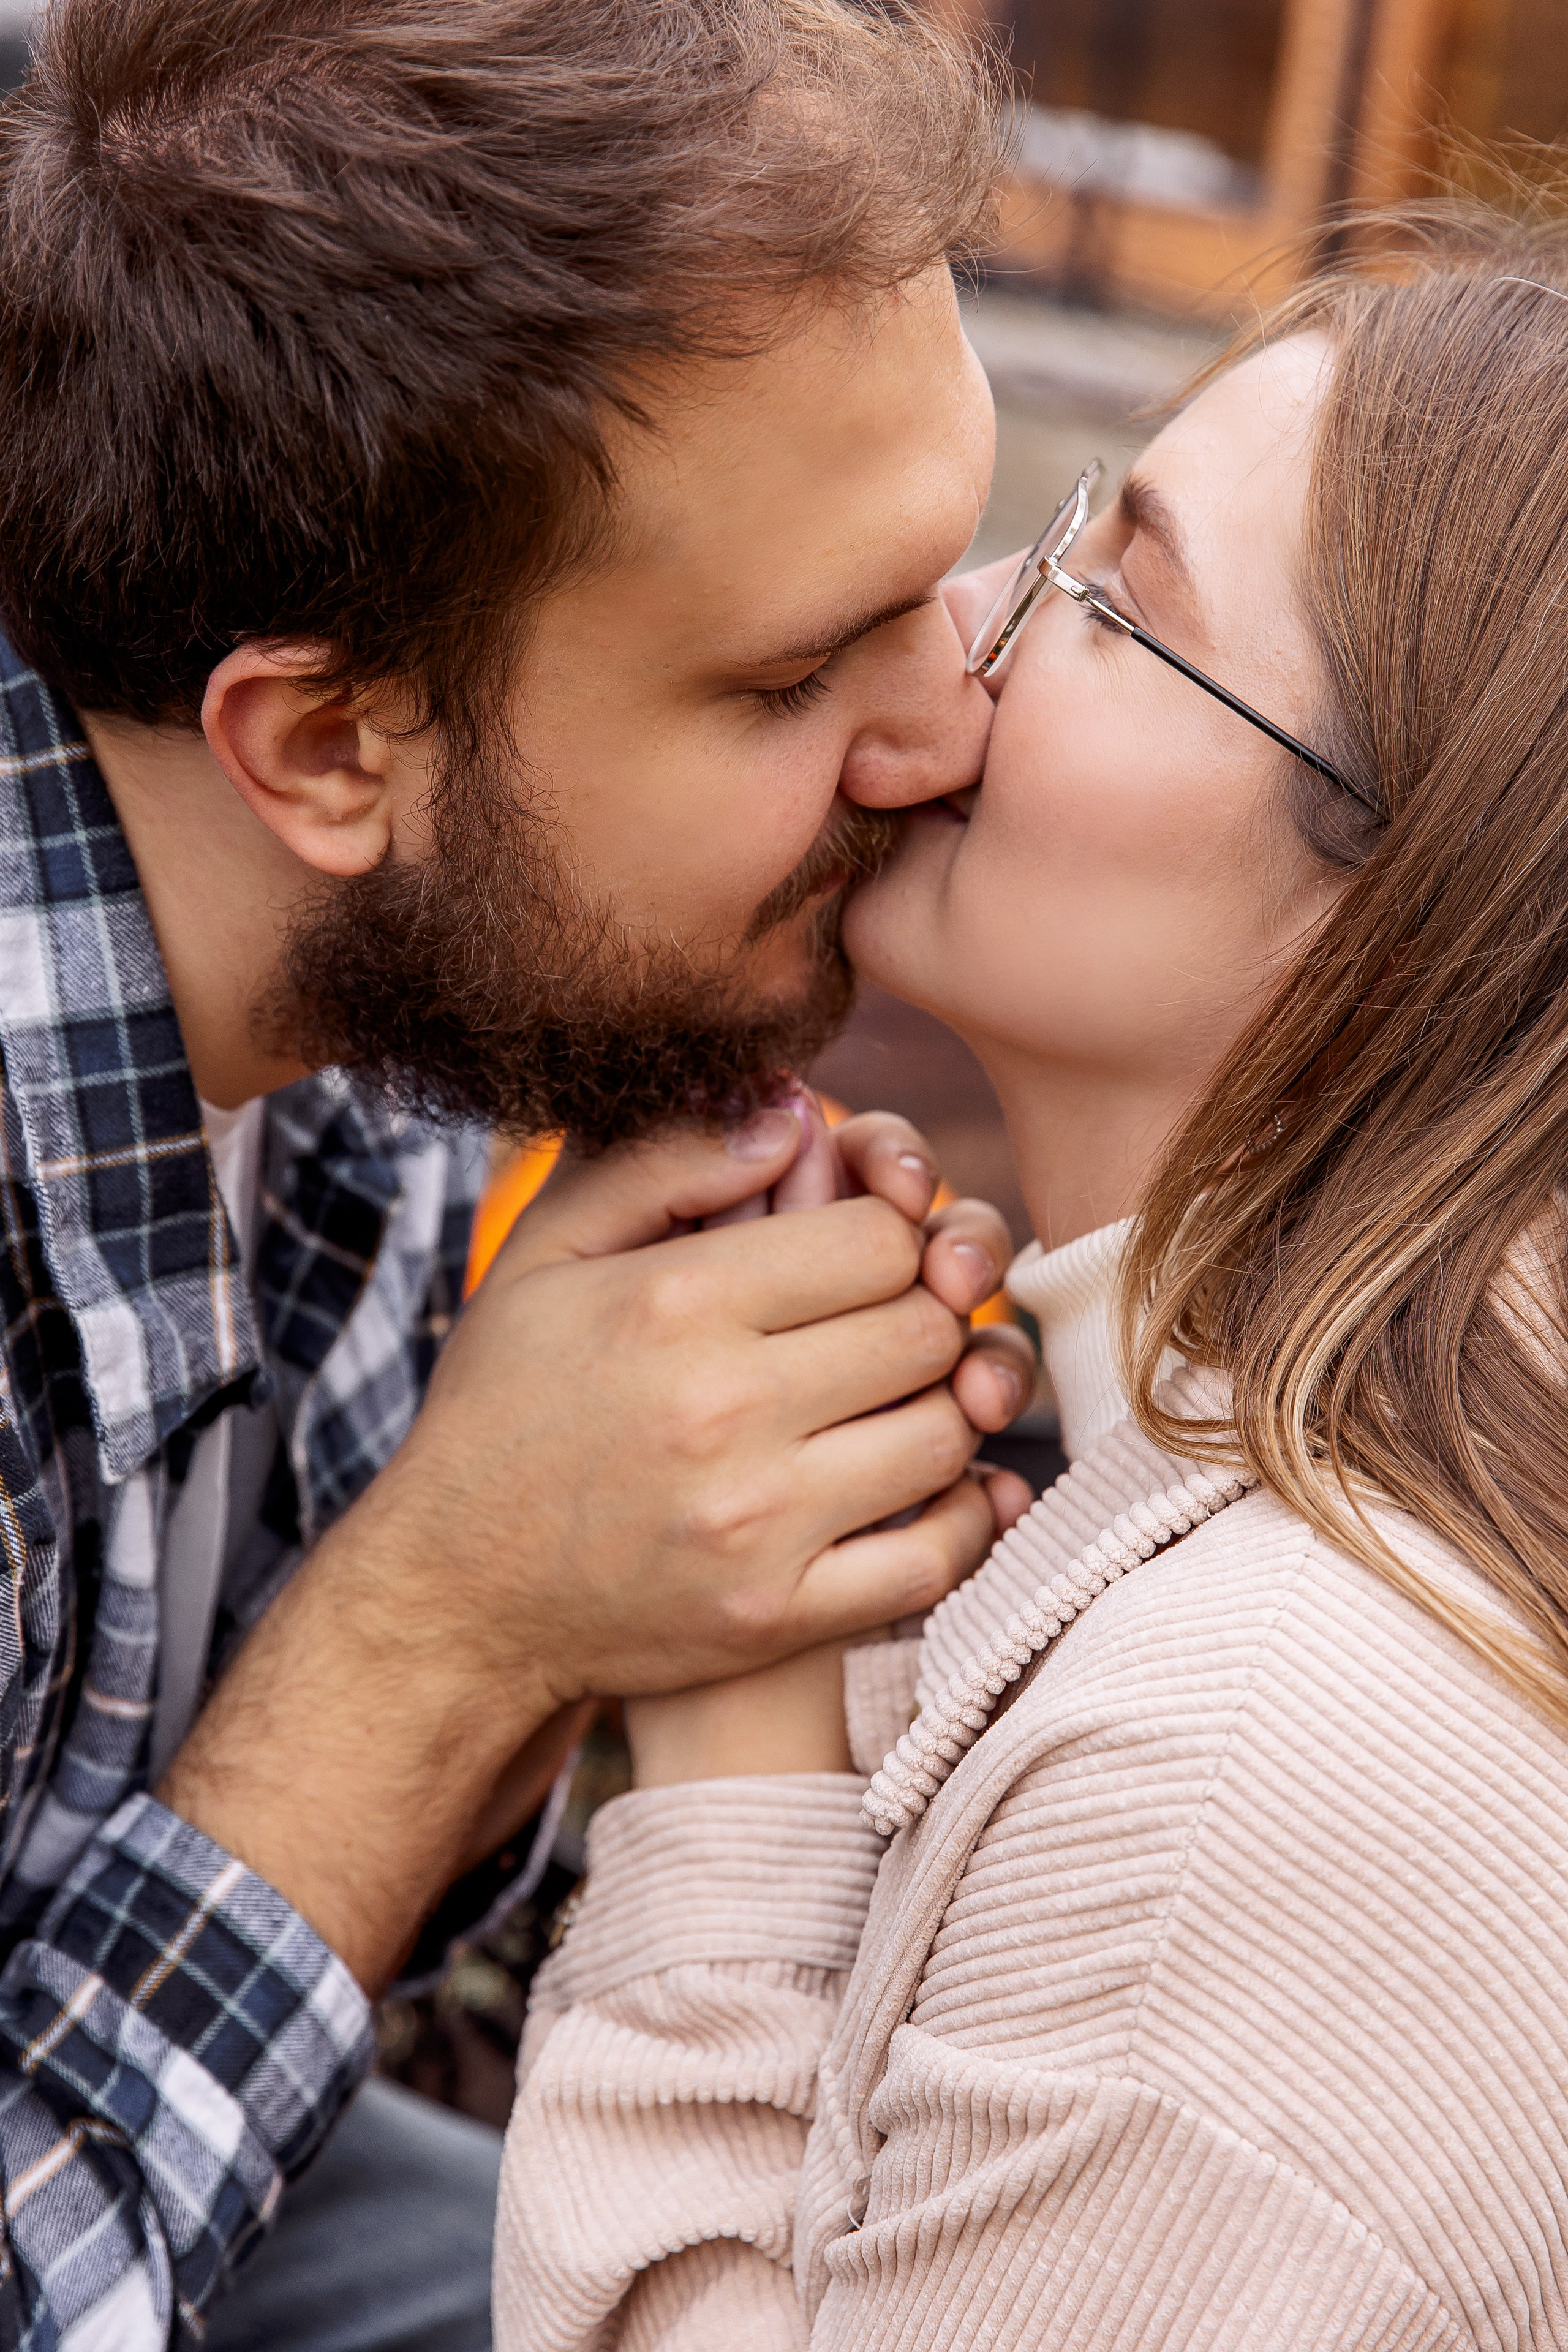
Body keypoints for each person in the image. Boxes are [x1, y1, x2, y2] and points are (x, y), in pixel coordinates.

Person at [0, 2, 1040, 2345]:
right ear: (332, 741)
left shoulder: (373, 1002)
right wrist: (454, 1630)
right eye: (795, 677)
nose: (954, 724)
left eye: (954, 575)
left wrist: (614, 1522)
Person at [497, 200, 1568, 2349]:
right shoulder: (1315, 1517)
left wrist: (735, 1759)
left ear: (1425, 894)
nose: (962, 630)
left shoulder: (1269, 1765)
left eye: (1110, 600)